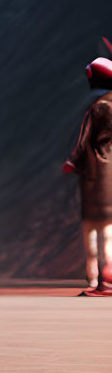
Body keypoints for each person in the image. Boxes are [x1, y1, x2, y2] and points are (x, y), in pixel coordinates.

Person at [63, 56, 112, 295]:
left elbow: (83, 143)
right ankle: (106, 280)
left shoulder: (98, 108)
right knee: (109, 233)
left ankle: (96, 281)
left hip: (95, 179)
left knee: (92, 232)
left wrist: (71, 162)